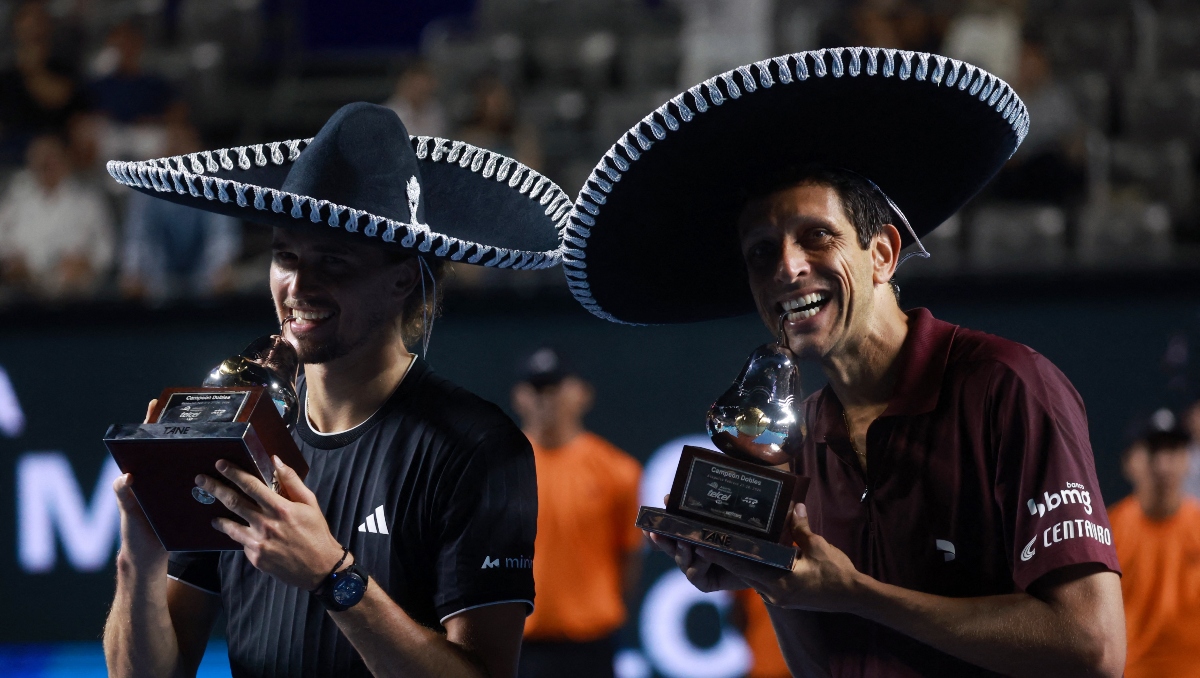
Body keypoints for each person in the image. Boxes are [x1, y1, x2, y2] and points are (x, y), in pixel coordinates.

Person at [558, 47, 1125, 676]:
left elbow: (1091, 648)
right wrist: (767, 569)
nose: (788, 269)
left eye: (816, 236)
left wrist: (858, 594)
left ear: (882, 253)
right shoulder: (798, 439)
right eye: (761, 254)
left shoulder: (1008, 386)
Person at [102, 102, 570, 677]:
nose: (299, 285)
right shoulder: (234, 435)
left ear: (403, 278)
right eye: (285, 256)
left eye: (334, 262)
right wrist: (140, 554)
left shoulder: (478, 449)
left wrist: (333, 577)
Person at [509, 347, 643, 678]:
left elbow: (629, 556)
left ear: (583, 394)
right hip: (518, 643)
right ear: (518, 397)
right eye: (536, 388)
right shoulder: (493, 472)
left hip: (591, 644)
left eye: (555, 386)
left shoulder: (618, 471)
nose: (546, 398)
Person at [1110, 426, 1200, 678]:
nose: (1163, 465)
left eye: (1173, 451)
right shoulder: (1107, 532)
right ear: (1130, 462)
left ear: (1187, 460)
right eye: (1152, 451)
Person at [120, 121, 240, 302]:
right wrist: (133, 271)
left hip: (204, 282)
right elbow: (138, 236)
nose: (178, 154)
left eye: (184, 147)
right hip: (156, 283)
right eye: (173, 147)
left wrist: (222, 268)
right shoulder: (147, 185)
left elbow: (221, 236)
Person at [0, 133, 113, 299]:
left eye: (50, 157)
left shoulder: (87, 201)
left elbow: (106, 249)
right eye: (38, 158)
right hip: (20, 292)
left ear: (64, 159)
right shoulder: (16, 198)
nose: (44, 163)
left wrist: (87, 264)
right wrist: (11, 263)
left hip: (74, 295)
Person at [383, 61, 447, 138]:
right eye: (418, 89)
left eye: (426, 91)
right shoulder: (387, 114)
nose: (422, 95)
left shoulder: (436, 111)